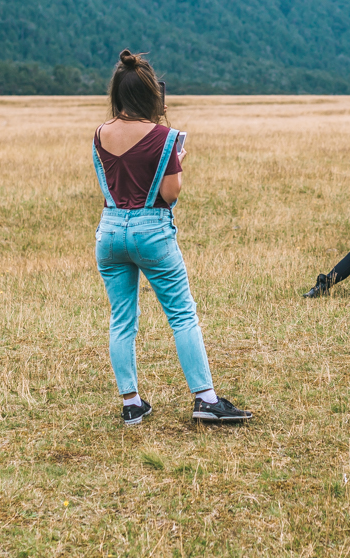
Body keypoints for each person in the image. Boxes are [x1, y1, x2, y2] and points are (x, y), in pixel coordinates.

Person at [92, 50, 252, 426]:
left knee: (122, 319)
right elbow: (170, 194)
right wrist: (175, 158)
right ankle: (205, 399)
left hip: (111, 229)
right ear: (152, 94)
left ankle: (131, 403)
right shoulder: (165, 137)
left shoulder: (100, 134)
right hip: (151, 229)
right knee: (181, 315)